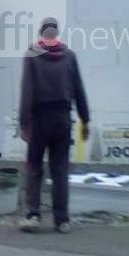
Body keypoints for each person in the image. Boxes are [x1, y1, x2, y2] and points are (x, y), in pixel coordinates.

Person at [18, 18, 90, 234]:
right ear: (56, 34)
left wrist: (24, 122)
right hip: (62, 119)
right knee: (59, 170)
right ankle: (62, 220)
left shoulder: (32, 55)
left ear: (42, 34)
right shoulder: (69, 56)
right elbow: (78, 89)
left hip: (40, 119)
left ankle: (33, 214)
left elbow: (27, 91)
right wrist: (85, 119)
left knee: (34, 168)